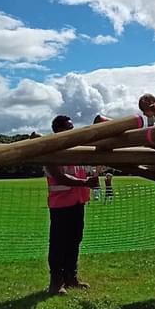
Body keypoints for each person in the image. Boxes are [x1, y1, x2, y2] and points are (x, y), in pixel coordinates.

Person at [44, 115, 98, 295]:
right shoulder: (49, 151)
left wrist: (91, 175)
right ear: (58, 130)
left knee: (75, 240)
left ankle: (71, 277)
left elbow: (83, 171)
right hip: (60, 204)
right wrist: (85, 183)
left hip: (77, 202)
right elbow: (59, 177)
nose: (72, 131)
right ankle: (56, 281)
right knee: (59, 243)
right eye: (68, 127)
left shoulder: (74, 150)